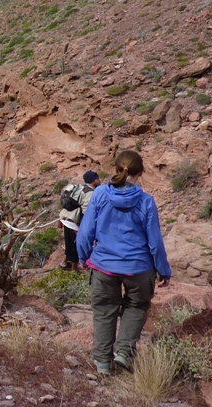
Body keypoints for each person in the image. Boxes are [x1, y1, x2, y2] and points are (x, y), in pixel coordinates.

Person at [77, 150, 172, 376]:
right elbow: (155, 243)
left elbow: (85, 232)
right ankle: (123, 353)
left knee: (103, 311)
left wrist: (83, 257)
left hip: (103, 266)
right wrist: (163, 270)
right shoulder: (146, 201)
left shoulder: (100, 194)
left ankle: (102, 364)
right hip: (138, 268)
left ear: (117, 169)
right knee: (136, 307)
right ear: (141, 172)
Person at [58, 170, 102, 271]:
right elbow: (87, 213)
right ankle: (74, 271)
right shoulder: (90, 193)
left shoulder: (82, 188)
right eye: (98, 179)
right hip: (73, 222)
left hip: (66, 218)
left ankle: (64, 263)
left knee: (69, 243)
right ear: (94, 180)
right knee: (75, 245)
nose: (99, 181)